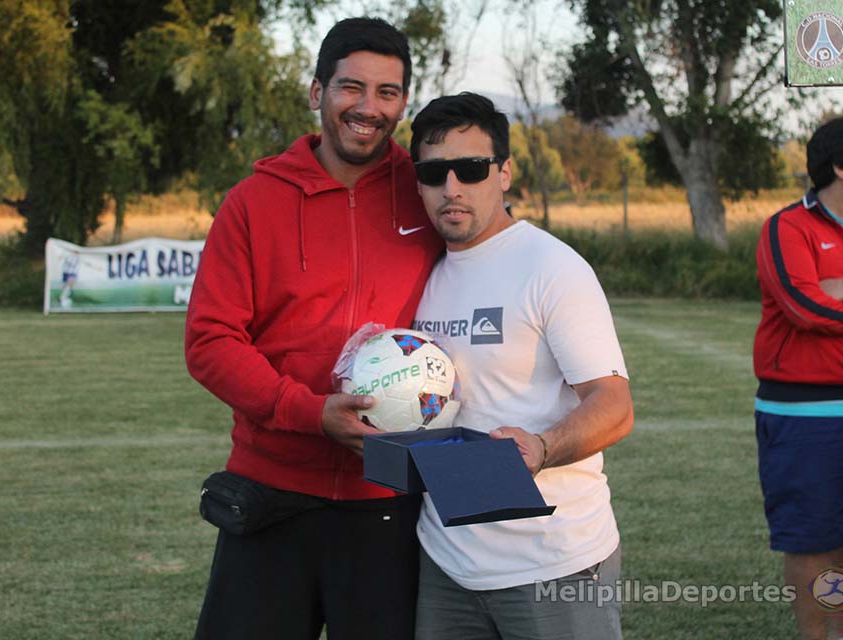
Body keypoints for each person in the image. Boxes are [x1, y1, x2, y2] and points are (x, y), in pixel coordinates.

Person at [184, 17, 443, 640]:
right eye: (351, 87)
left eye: (387, 92)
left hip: (389, 500)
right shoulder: (253, 202)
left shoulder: (428, 193)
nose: (369, 107)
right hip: (271, 493)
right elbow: (210, 341)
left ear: (404, 102)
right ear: (316, 91)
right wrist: (307, 412)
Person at [408, 92, 634, 640]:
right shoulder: (424, 272)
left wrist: (541, 447)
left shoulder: (552, 267)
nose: (452, 187)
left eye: (471, 168)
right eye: (434, 172)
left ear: (504, 173)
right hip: (445, 563)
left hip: (552, 562)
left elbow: (614, 405)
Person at [754, 116, 843, 640]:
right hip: (804, 414)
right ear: (842, 167)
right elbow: (804, 307)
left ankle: (842, 634)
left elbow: (829, 300)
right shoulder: (786, 228)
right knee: (811, 541)